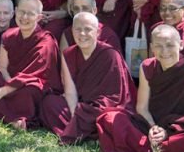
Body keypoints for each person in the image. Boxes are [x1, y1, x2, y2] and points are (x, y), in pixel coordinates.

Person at [39, 12, 134, 144]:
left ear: (98, 32)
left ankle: (77, 132)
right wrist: (74, 115)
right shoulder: (68, 53)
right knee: (49, 103)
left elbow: (114, 97)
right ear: (72, 31)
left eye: (88, 29)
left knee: (108, 118)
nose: (82, 34)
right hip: (81, 106)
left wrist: (82, 112)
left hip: (100, 108)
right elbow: (70, 91)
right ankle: (87, 134)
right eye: (78, 29)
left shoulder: (110, 54)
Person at [0, 0, 61, 129]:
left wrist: (2, 92)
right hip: (11, 81)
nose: (25, 17)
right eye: (22, 12)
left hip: (32, 85)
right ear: (16, 11)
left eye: (30, 14)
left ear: (39, 17)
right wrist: (9, 85)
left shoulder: (46, 42)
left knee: (30, 90)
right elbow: (2, 67)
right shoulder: (8, 35)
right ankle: (12, 118)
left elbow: (33, 77)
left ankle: (6, 113)